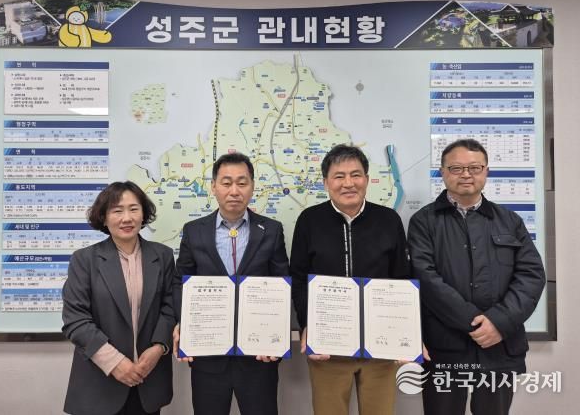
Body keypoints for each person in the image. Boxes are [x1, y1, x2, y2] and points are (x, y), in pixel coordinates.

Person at [408, 139, 546, 415]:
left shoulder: (510, 221)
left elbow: (531, 276)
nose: (466, 175)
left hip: (499, 346)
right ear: (443, 172)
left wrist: (498, 322)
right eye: (456, 168)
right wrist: (474, 323)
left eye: (474, 167)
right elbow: (426, 278)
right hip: (445, 348)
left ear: (486, 171)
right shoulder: (424, 221)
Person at [290, 144, 410, 415]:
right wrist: (307, 325)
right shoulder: (309, 221)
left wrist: (406, 332)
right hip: (328, 345)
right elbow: (299, 278)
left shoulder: (388, 220)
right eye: (339, 176)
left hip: (380, 344)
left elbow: (402, 279)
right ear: (326, 182)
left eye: (355, 175)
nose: (348, 183)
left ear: (366, 179)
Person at [172, 152, 289, 415]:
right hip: (208, 355)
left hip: (258, 356)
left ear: (252, 186)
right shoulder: (194, 230)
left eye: (242, 182)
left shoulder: (271, 230)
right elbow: (180, 281)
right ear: (214, 186)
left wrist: (277, 337)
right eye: (226, 183)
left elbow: (281, 284)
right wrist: (184, 323)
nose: (234, 191)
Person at [62, 181, 176, 415]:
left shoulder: (162, 256)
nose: (127, 218)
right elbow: (76, 320)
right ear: (104, 218)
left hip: (147, 379)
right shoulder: (84, 260)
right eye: (117, 211)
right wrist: (115, 363)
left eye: (134, 209)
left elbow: (170, 306)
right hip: (100, 384)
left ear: (143, 214)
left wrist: (159, 348)